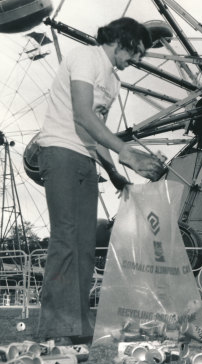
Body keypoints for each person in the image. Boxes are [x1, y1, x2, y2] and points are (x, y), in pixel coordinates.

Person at [37, 17, 166, 345]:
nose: (134, 60)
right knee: (66, 238)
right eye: (134, 51)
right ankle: (56, 326)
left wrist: (114, 172)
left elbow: (95, 134)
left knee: (84, 244)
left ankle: (78, 323)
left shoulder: (114, 81)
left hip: (86, 158)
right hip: (60, 150)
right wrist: (127, 152)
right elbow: (82, 115)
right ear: (120, 40)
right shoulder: (84, 57)